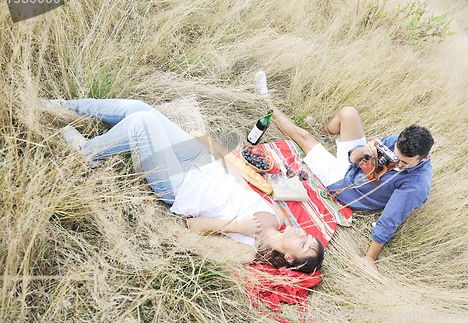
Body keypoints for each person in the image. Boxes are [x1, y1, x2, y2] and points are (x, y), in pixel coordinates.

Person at [48, 98, 324, 273]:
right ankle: (64, 105)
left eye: (305, 245)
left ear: (289, 258)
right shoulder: (278, 217)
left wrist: (237, 226)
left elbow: (192, 228)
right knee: (142, 108)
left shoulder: (247, 251)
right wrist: (215, 151)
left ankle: (87, 152)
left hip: (179, 185)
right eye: (309, 237)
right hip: (202, 162)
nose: (304, 236)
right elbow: (240, 185)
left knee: (142, 123)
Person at [266, 105, 434, 272]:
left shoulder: (415, 186)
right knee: (348, 113)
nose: (396, 164)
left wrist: (370, 258)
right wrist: (364, 150)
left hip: (345, 184)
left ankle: (269, 107)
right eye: (395, 157)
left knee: (303, 136)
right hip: (356, 166)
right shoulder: (399, 142)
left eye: (404, 163)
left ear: (425, 157)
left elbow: (389, 220)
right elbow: (353, 157)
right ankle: (323, 132)